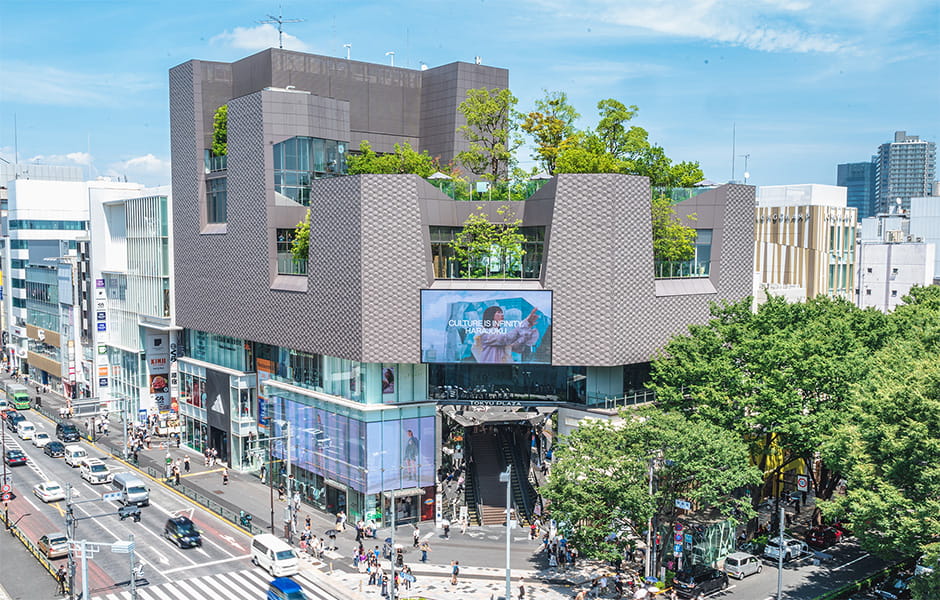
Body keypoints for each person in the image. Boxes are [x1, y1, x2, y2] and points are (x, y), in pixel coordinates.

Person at [470, 306, 540, 364]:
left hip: (504, 370)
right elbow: (505, 339)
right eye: (499, 312)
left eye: (502, 312)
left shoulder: (499, 333)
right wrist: (525, 323)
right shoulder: (484, 333)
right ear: (491, 315)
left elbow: (516, 348)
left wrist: (526, 335)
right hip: (490, 370)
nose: (502, 315)